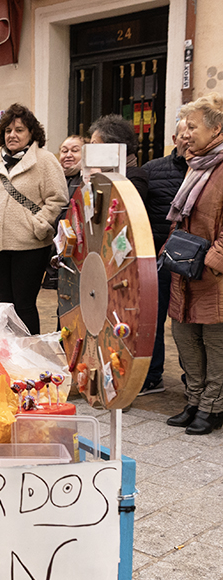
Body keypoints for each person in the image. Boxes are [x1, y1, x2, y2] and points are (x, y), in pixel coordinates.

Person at [0, 103, 67, 334]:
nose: (12, 135)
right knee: (3, 305)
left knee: (24, 305)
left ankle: (30, 357)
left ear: (31, 133)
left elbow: (57, 198)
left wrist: (40, 225)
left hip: (30, 246)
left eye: (19, 130)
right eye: (8, 131)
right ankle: (10, 356)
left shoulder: (45, 161)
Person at [165, 94, 223, 434]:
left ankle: (212, 407)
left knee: (215, 343)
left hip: (212, 275)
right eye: (184, 126)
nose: (185, 133)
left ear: (216, 129)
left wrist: (213, 263)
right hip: (184, 269)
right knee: (185, 336)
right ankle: (194, 400)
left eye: (192, 126)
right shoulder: (196, 164)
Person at [140, 118, 191, 396]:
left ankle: (192, 378)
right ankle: (152, 374)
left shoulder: (209, 170)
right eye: (184, 134)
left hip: (195, 261)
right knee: (154, 318)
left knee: (189, 324)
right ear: (175, 137)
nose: (188, 139)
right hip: (159, 258)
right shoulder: (152, 170)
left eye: (192, 133)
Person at [89, 114, 150, 201]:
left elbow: (126, 205)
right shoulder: (90, 171)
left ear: (113, 146)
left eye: (94, 145)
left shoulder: (135, 176)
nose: (91, 150)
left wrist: (100, 179)